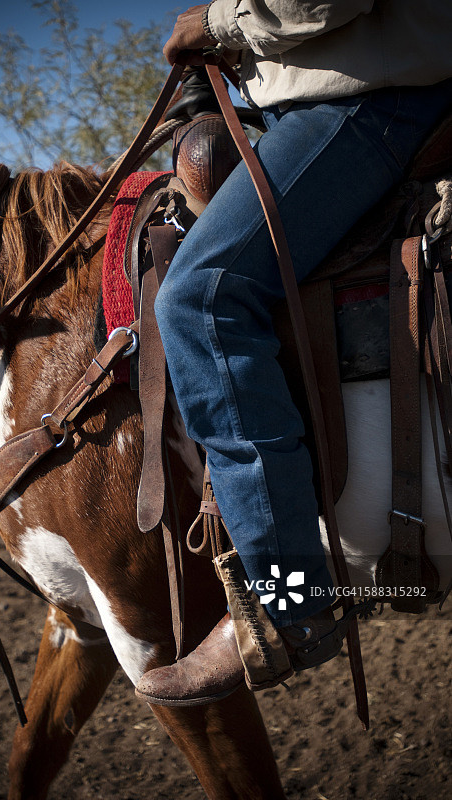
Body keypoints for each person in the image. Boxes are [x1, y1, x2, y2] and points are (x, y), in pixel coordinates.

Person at [135, 1, 452, 706]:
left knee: (199, 298)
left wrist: (219, 24)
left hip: (372, 96)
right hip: (334, 96)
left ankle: (289, 604)